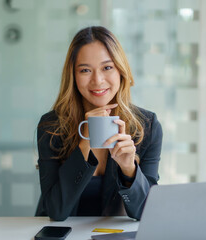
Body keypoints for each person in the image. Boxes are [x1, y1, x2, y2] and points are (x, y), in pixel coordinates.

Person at [35, 26, 163, 221]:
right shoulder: (52, 126)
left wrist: (129, 169)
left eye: (107, 67)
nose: (98, 80)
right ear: (73, 76)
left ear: (121, 70)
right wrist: (85, 142)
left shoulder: (146, 126)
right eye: (85, 70)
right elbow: (56, 211)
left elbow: (146, 213)